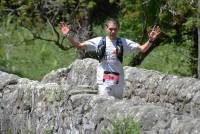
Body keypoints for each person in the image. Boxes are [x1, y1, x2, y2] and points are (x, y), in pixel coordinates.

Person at [60, 18, 160, 99]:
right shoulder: (99, 41)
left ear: (118, 29)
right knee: (104, 106)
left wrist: (151, 40)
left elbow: (142, 49)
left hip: (118, 82)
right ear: (106, 29)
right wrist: (68, 35)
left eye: (115, 29)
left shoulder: (123, 42)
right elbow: (79, 46)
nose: (113, 31)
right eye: (110, 29)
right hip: (103, 81)